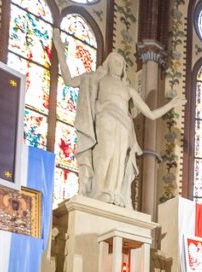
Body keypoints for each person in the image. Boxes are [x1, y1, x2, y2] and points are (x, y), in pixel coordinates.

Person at [51, 30, 184, 207]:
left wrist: (171, 105)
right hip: (105, 120)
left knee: (119, 162)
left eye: (121, 63)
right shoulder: (97, 79)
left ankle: (114, 194)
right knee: (104, 154)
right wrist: (60, 50)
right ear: (108, 64)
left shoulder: (128, 90)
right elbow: (68, 80)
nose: (119, 65)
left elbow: (150, 113)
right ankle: (100, 192)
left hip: (124, 127)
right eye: (115, 61)